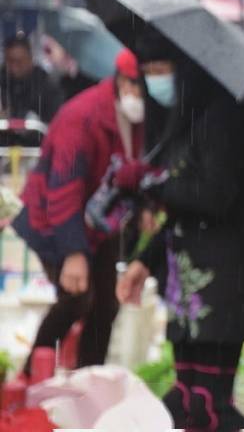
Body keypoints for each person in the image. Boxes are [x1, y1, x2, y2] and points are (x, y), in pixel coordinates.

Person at [115, 31, 244, 432]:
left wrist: (152, 184)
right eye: (147, 72)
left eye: (162, 69)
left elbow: (214, 195)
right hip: (186, 285)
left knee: (207, 406)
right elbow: (178, 213)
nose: (154, 79)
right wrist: (143, 263)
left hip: (221, 283)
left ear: (186, 71)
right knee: (186, 399)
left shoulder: (223, 117)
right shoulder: (181, 120)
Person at [10, 48, 146, 376]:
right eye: (134, 84)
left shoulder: (141, 117)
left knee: (106, 305)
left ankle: (89, 380)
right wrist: (73, 252)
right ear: (121, 81)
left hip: (100, 219)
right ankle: (29, 377)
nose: (139, 94)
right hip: (53, 217)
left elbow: (135, 169)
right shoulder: (82, 117)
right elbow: (63, 189)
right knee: (76, 298)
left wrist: (145, 206)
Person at [1, 34, 64, 123]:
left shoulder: (46, 85)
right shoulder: (2, 81)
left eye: (19, 62)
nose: (14, 67)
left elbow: (55, 119)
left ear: (30, 59)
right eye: (10, 61)